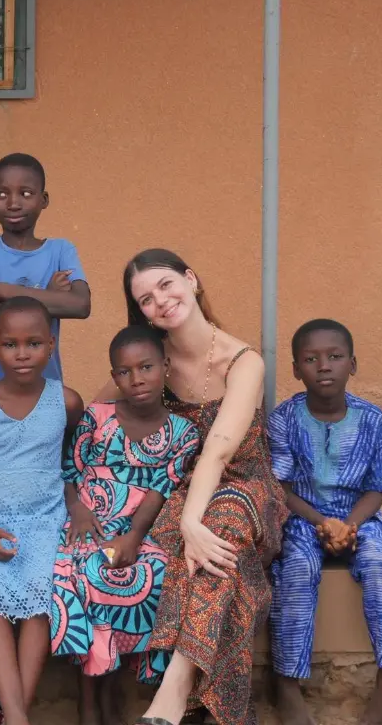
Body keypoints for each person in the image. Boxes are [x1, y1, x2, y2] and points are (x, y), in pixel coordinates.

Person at [118, 249, 289, 725]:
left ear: (191, 280)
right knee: (229, 565)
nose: (160, 301)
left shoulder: (244, 361)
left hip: (248, 488)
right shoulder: (153, 361)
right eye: (146, 299)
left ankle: (173, 689)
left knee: (221, 521)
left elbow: (218, 450)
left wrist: (193, 522)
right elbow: (106, 406)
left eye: (166, 285)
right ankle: (216, 709)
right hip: (183, 490)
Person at [52, 326, 200, 725]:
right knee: (82, 570)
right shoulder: (97, 416)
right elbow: (70, 469)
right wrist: (78, 510)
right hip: (85, 520)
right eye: (124, 371)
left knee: (152, 570)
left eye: (146, 367)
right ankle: (89, 696)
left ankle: (112, 682)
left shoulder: (184, 433)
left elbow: (161, 490)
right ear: (114, 376)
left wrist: (134, 537)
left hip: (138, 527)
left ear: (165, 367)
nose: (136, 379)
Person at [268, 319, 382, 725]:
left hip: (361, 517)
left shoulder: (373, 420)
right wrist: (323, 523)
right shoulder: (284, 419)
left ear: (353, 364)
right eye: (311, 359)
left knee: (381, 567)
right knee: (296, 568)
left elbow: (377, 488)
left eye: (335, 356)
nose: (324, 366)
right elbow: (281, 489)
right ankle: (287, 683)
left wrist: (349, 525)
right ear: (296, 369)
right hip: (302, 517)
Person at [0, 296, 84, 725]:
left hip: (48, 521)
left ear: (51, 346)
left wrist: (75, 507)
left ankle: (15, 715)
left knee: (40, 601)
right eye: (10, 344)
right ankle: (16, 716)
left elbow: (71, 464)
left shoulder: (66, 402)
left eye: (34, 343)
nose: (22, 353)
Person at [0, 153, 91, 382]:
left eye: (25, 193)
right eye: (1, 194)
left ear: (44, 199)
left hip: (46, 390)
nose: (13, 204)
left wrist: (1, 290)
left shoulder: (60, 250)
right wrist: (48, 300)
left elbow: (80, 305)